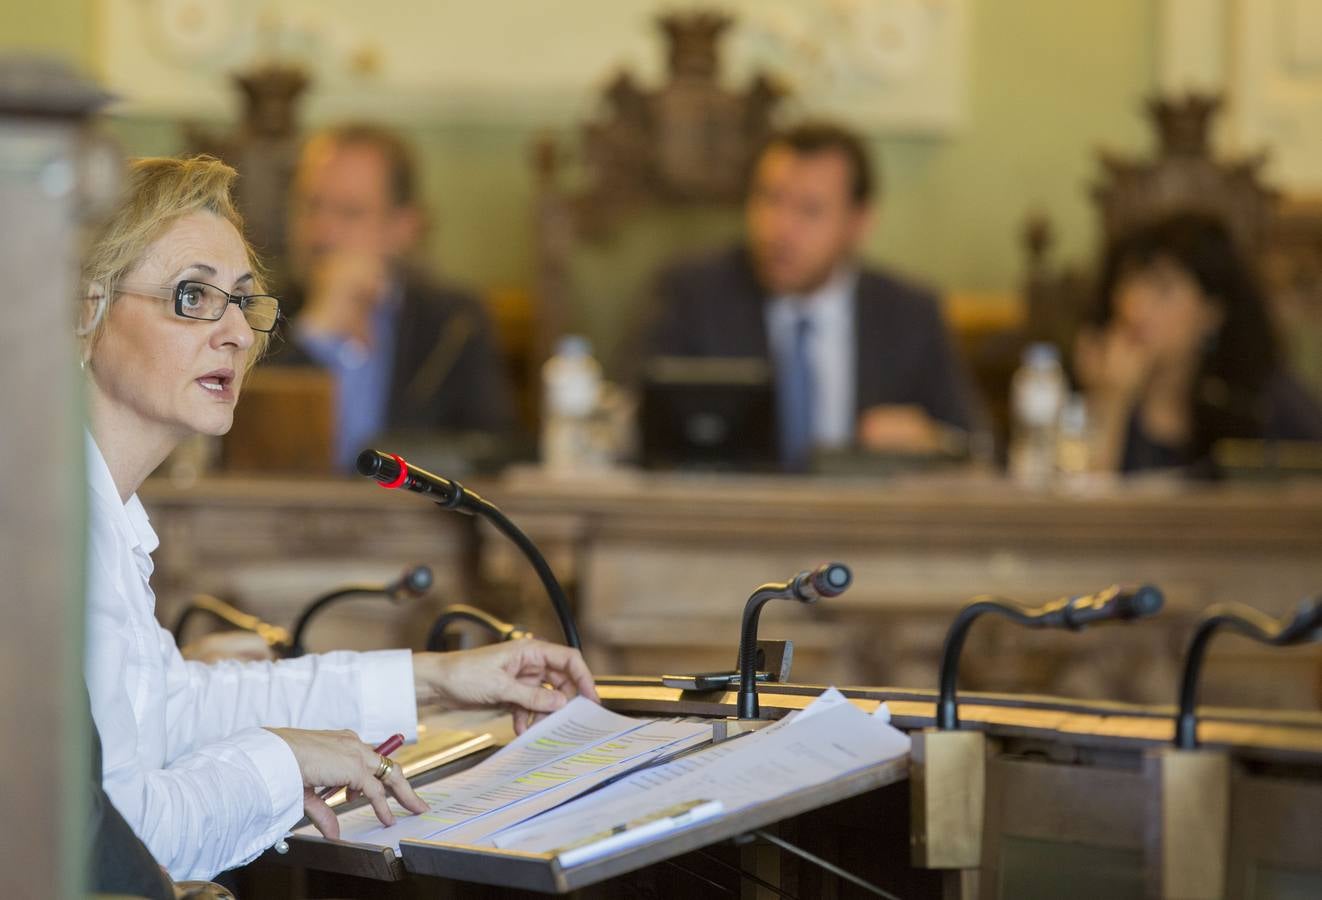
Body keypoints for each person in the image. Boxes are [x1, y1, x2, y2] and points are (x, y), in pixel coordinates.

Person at [78, 155, 597, 881]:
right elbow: (118, 846)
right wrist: (284, 758)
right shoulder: (52, 534)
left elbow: (169, 705)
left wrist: (438, 678)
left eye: (244, 302)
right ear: (85, 308)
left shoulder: (97, 505)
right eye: (193, 296)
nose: (234, 332)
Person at [642, 121, 976, 470]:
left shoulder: (910, 314)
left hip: (863, 519)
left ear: (859, 223)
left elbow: (975, 446)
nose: (779, 228)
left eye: (809, 210)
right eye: (768, 198)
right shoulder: (691, 295)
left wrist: (932, 441)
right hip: (732, 518)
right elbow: (628, 424)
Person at [274, 123, 516, 469]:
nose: (321, 233)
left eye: (349, 212)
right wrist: (315, 332)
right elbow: (240, 442)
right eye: (310, 207)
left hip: (412, 519)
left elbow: (491, 449)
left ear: (403, 227)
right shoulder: (258, 306)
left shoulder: (455, 322)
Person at [1074, 211, 1322, 476]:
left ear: (1211, 312)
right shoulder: (1078, 384)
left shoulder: (1258, 398)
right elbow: (1070, 508)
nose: (1133, 307)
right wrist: (1111, 402)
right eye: (1126, 285)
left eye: (1162, 288)